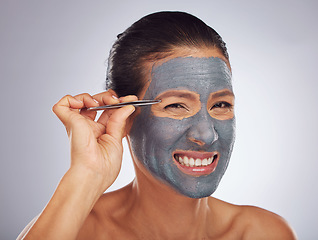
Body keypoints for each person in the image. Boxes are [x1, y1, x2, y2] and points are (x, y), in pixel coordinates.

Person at [18, 11, 297, 239]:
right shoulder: (78, 231)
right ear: (123, 114)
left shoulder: (264, 233)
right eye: (176, 105)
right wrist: (87, 175)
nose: (206, 134)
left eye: (221, 105)